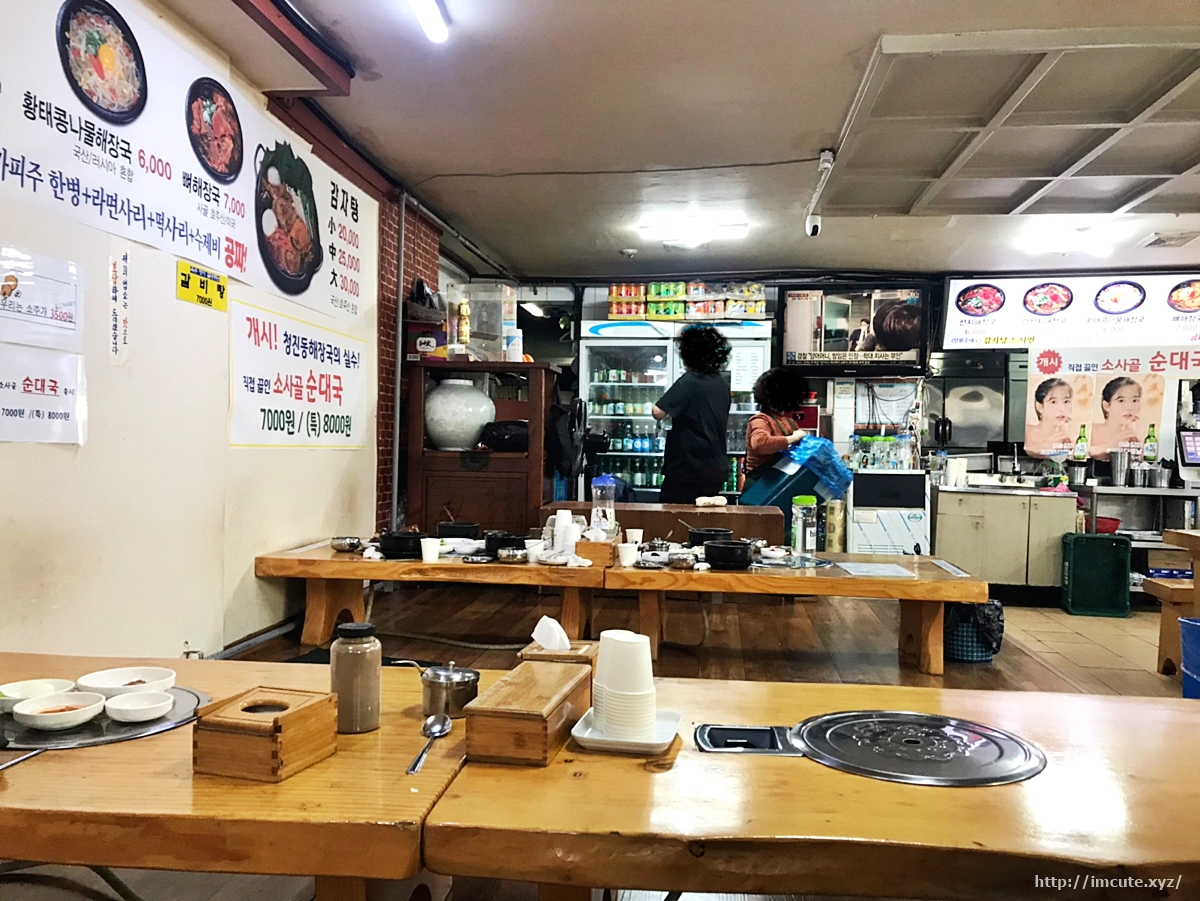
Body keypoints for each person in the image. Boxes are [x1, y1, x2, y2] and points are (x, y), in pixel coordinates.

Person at [652, 325, 731, 504]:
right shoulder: (720, 383)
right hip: (715, 467)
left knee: (673, 516)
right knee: (703, 516)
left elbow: (657, 412)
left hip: (688, 468)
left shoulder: (690, 381)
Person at [742, 367, 809, 487]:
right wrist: (793, 438)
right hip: (759, 486)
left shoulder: (789, 422)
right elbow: (760, 444)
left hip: (777, 484)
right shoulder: (760, 420)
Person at [1090, 376, 1142, 458]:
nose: (1129, 407)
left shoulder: (1135, 436)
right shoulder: (1091, 430)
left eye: (1135, 400)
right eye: (1121, 400)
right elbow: (1080, 452)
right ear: (1106, 405)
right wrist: (1109, 446)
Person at [1024, 377, 1074, 457]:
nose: (1062, 409)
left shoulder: (1070, 435)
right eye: (1053, 402)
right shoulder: (1027, 432)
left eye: (1066, 401)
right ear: (1040, 407)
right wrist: (1045, 447)